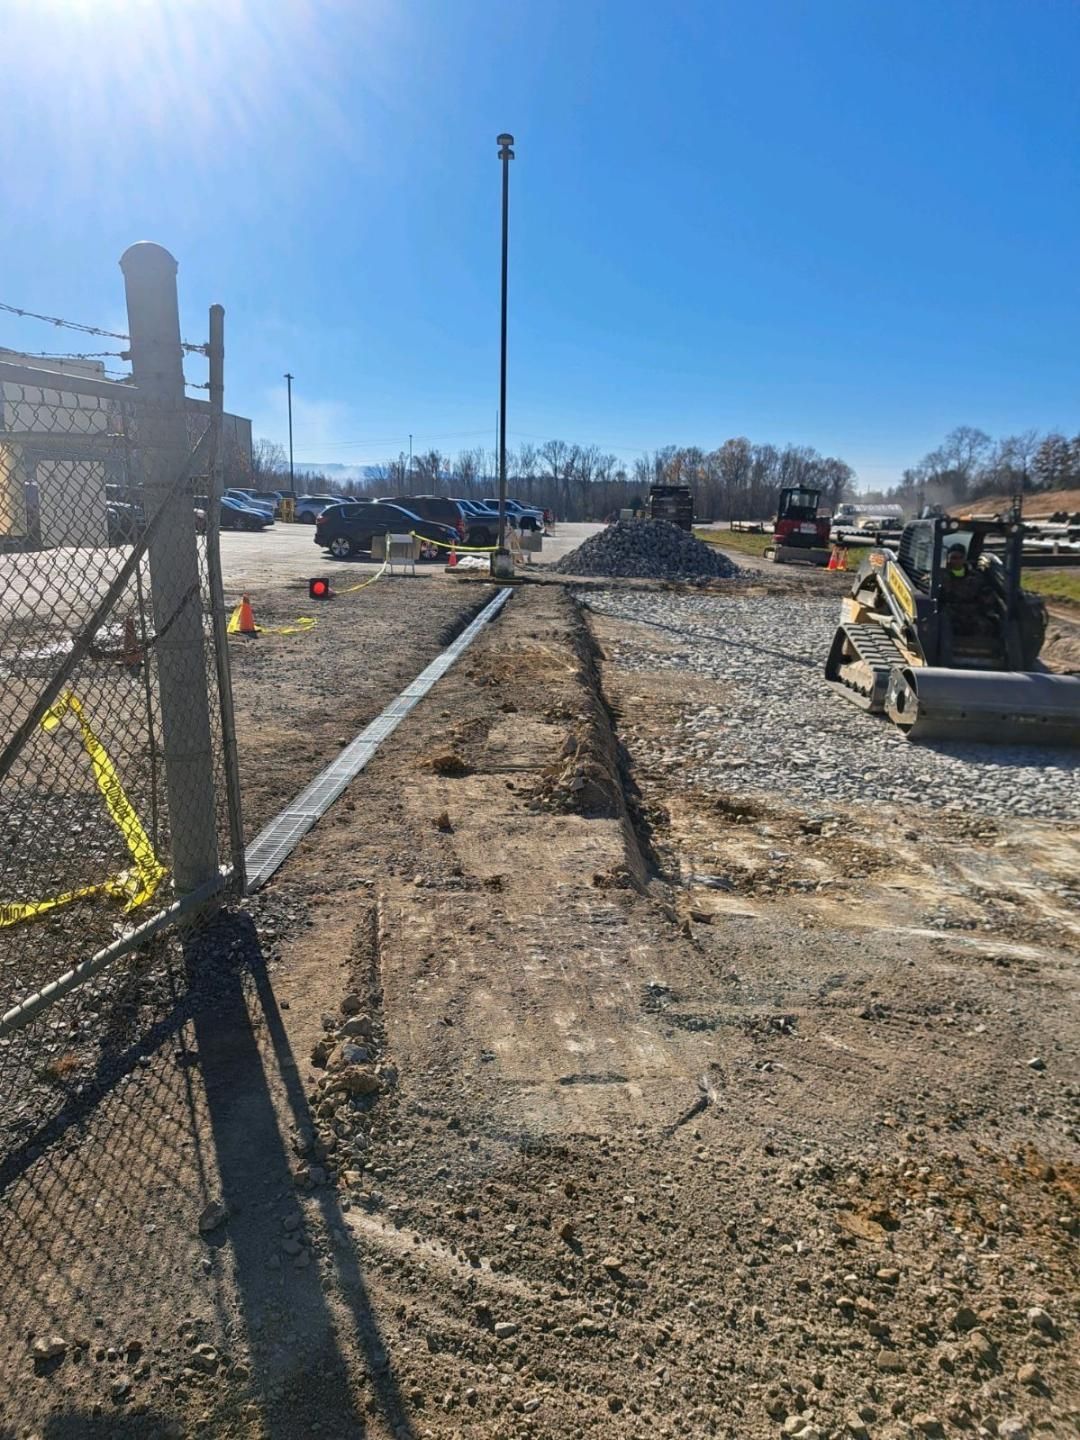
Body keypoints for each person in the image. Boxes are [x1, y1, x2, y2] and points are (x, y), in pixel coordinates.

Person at [940, 542, 996, 633]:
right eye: (953, 558)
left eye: (960, 557)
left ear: (964, 559)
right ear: (948, 559)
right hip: (949, 614)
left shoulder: (976, 576)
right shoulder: (939, 575)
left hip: (971, 614)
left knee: (988, 627)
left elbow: (986, 595)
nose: (957, 561)